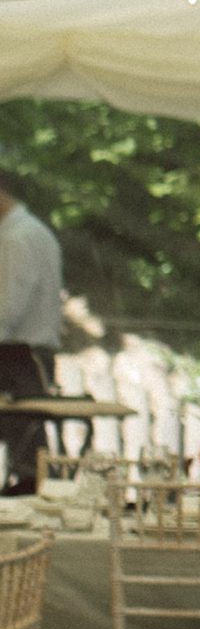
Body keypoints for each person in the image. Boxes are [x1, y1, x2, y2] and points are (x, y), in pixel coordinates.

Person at [0, 176, 63, 496]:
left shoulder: (16, 239)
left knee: (28, 450)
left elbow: (6, 311)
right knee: (27, 446)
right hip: (29, 353)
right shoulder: (35, 231)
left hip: (20, 357)